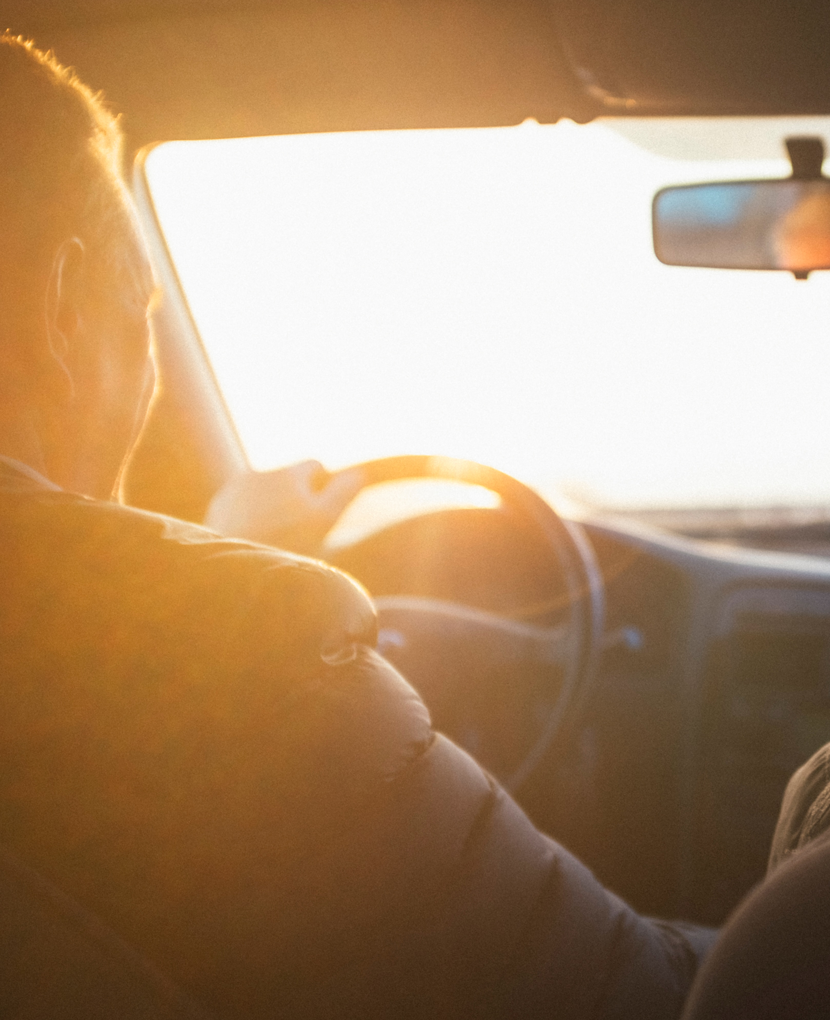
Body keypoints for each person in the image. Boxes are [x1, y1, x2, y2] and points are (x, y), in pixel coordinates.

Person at [0, 33, 715, 1019]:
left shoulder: (150, 633)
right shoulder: (244, 657)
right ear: (62, 315)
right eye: (140, 307)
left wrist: (225, 547)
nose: (149, 364)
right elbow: (641, 999)